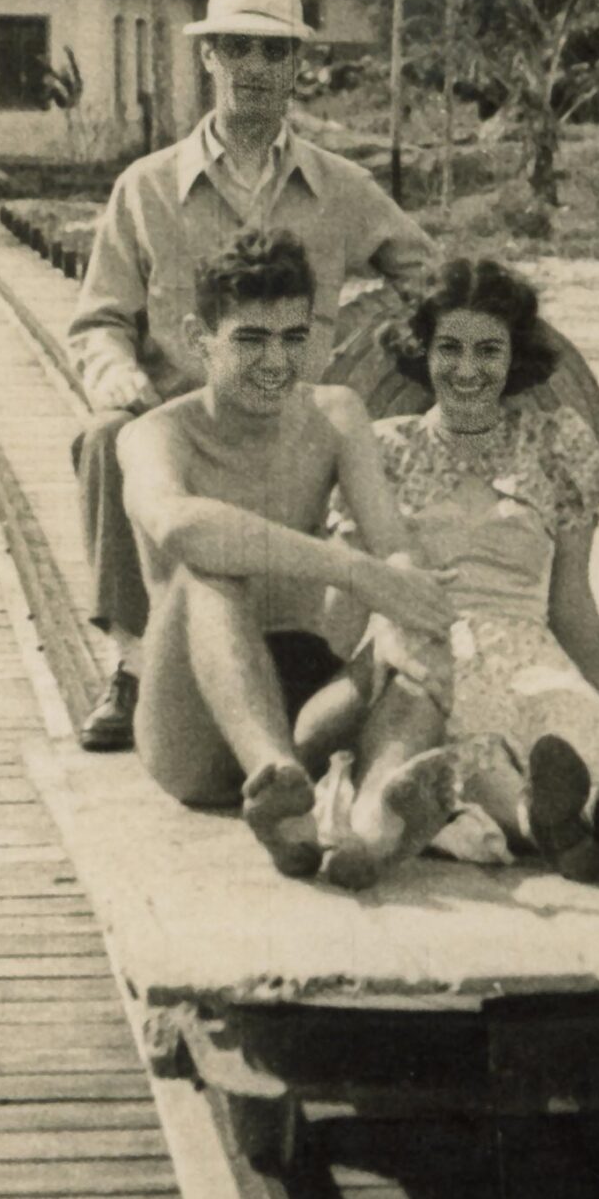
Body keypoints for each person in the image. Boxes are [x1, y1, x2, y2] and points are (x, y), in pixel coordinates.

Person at [68, 0, 434, 754]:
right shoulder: (145, 188)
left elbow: (432, 284)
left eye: (274, 51)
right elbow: (99, 318)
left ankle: (340, 666)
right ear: (209, 60)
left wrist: (382, 346)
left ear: (298, 66)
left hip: (289, 423)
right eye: (237, 49)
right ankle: (131, 663)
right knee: (102, 437)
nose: (255, 69)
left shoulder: (343, 188)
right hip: (181, 421)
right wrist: (116, 372)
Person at [116, 228, 457, 881]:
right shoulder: (156, 434)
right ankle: (280, 785)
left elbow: (394, 548)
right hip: (192, 729)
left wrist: (401, 608)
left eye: (293, 339)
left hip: (307, 700)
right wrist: (354, 571)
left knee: (417, 625)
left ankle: (374, 821)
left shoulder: (335, 413)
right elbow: (183, 527)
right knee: (211, 571)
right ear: (199, 337)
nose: (277, 362)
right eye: (250, 339)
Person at [319, 255, 599, 886]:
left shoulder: (557, 444)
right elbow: (349, 597)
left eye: (488, 350)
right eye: (449, 348)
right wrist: (340, 676)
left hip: (529, 646)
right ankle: (554, 826)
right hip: (426, 645)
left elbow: (571, 601)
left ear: (514, 358)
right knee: (474, 720)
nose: (468, 370)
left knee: (568, 720)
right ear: (422, 352)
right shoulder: (385, 451)